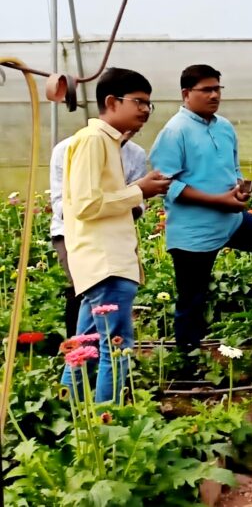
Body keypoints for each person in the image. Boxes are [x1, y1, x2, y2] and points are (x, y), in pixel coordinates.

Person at [150, 64, 252, 361]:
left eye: (218, 88)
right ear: (186, 93)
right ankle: (187, 362)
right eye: (206, 90)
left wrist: (238, 190)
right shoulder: (175, 131)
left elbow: (231, 169)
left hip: (230, 221)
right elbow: (166, 184)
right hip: (194, 232)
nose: (214, 95)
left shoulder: (223, 127)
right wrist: (219, 200)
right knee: (192, 301)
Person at [60, 67, 171, 403]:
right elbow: (85, 204)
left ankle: (66, 410)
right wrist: (139, 190)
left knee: (83, 343)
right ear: (111, 101)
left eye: (148, 105)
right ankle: (109, 425)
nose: (144, 111)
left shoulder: (108, 143)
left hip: (103, 263)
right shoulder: (94, 141)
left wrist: (138, 191)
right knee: (116, 347)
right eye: (139, 102)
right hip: (105, 263)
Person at [50, 130, 147, 338]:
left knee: (112, 291)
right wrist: (120, 200)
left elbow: (138, 205)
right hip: (71, 233)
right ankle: (83, 350)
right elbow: (63, 205)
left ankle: (89, 355)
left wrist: (118, 202)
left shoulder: (136, 154)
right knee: (85, 287)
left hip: (116, 234)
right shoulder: (66, 148)